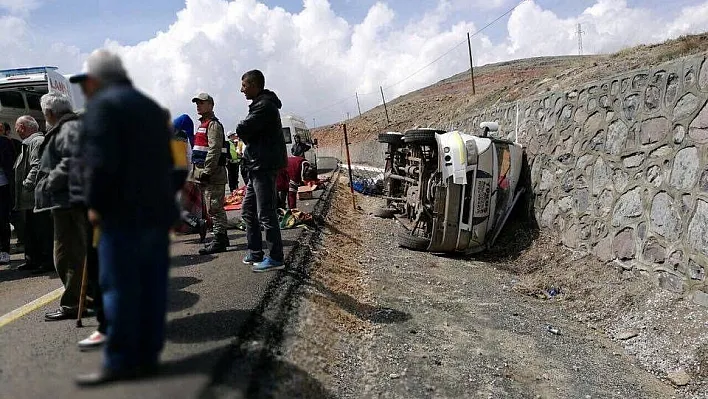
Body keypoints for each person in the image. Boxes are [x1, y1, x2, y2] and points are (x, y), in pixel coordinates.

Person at [70, 49, 177, 385]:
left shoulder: (103, 106)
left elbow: (100, 162)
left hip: (121, 213)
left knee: (119, 287)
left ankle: (120, 362)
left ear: (98, 80)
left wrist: (95, 204)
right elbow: (172, 165)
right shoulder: (151, 107)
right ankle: (147, 357)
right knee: (151, 287)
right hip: (156, 214)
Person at [34, 92, 87, 321]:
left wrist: (48, 183)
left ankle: (73, 304)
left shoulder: (67, 129)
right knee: (77, 254)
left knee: (65, 256)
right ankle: (86, 299)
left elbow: (71, 161)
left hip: (69, 201)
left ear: (49, 113)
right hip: (72, 199)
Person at [236, 69, 287, 272]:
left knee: (265, 212)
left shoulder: (264, 106)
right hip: (256, 166)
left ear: (255, 85)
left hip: (263, 166)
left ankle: (276, 258)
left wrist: (246, 134)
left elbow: (243, 129)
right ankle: (256, 252)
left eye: (245, 85)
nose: (242, 90)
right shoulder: (260, 105)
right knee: (248, 210)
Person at [188, 92, 229, 255]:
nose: (198, 105)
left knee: (215, 208)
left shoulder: (213, 125)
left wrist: (206, 171)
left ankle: (219, 240)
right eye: (197, 103)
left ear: (211, 105)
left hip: (213, 175)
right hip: (205, 174)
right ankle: (221, 237)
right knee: (212, 207)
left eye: (202, 103)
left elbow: (214, 150)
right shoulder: (203, 124)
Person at [13, 116, 53, 273]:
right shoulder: (29, 142)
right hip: (29, 198)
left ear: (22, 127)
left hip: (35, 196)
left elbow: (37, 165)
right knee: (30, 230)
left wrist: (27, 184)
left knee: (41, 229)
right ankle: (32, 260)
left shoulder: (36, 142)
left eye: (17, 127)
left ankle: (46, 261)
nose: (16, 130)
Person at [2, 122, 25, 254]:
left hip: (11, 184)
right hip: (9, 184)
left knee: (15, 214)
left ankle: (23, 241)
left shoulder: (13, 144)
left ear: (7, 131)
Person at [0, 121, 14, 264]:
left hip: (2, 186)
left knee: (2, 220)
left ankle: (4, 251)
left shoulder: (5, 142)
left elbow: (9, 164)